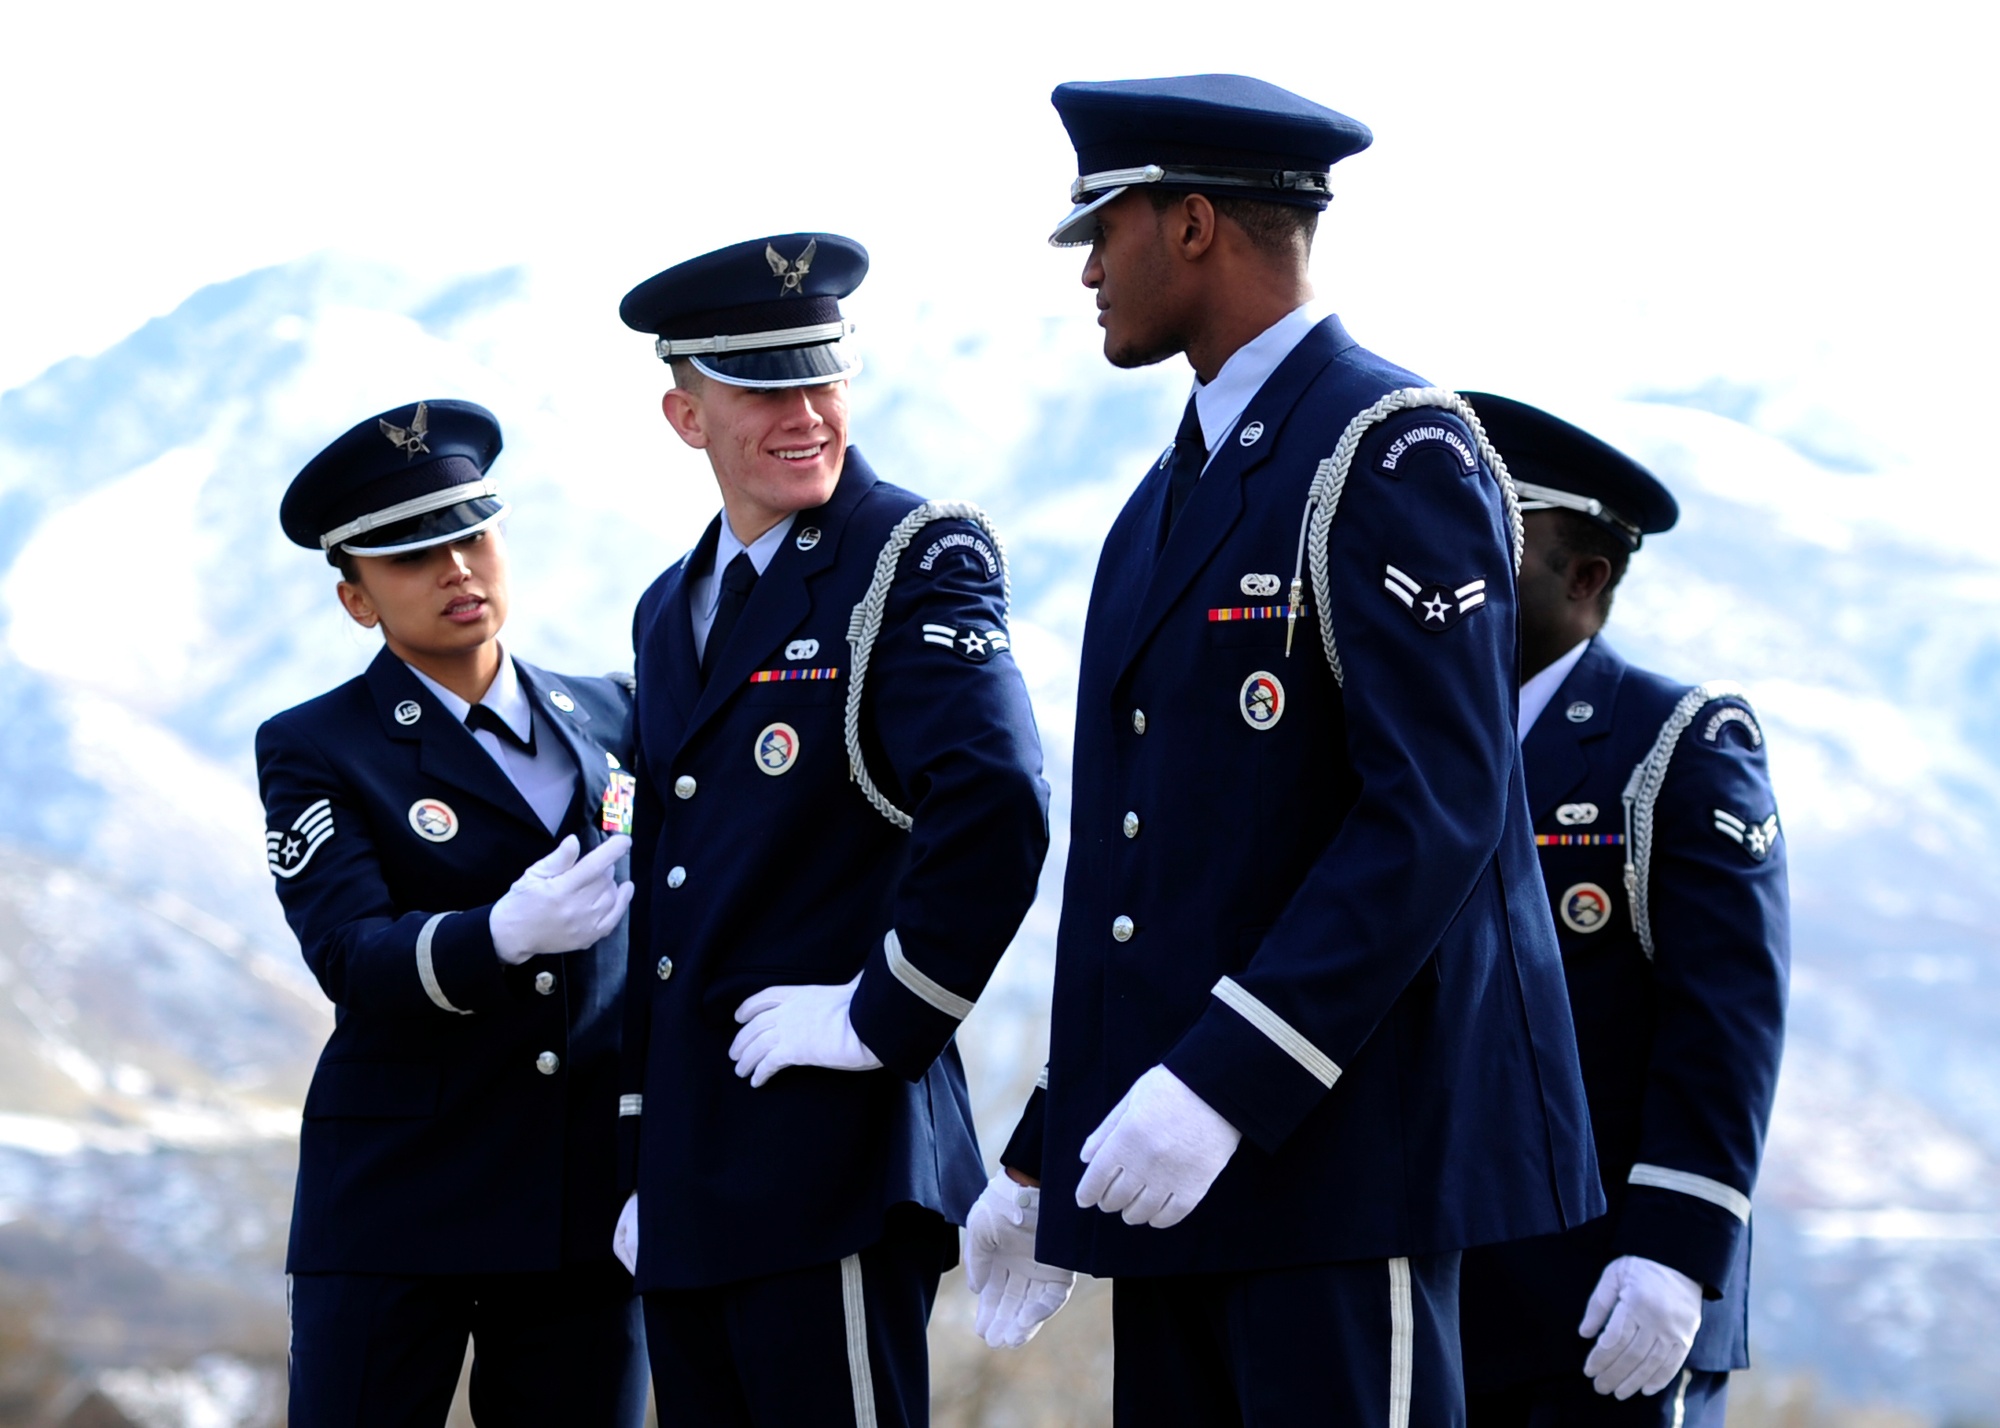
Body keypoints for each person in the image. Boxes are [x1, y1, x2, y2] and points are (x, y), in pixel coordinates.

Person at [964, 75, 1604, 1426]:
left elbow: (1436, 812)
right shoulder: (1171, 491)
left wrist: (1220, 1083)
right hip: (1177, 1175)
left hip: (1332, 1167)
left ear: (1193, 226)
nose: (1085, 269)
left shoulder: (1387, 449)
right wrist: (1049, 1152)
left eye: (1104, 226)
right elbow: (1156, 872)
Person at [613, 233, 1050, 1427]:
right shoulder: (670, 608)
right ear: (683, 413)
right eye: (763, 386)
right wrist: (641, 1151)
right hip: (693, 1182)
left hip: (832, 1164)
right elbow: (671, 884)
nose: (805, 412)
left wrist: (881, 1014)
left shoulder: (908, 554)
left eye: (823, 376)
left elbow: (999, 796)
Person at [257, 398, 647, 1428]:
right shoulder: (316, 745)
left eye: (471, 536)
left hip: (583, 1208)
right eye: (414, 555)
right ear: (356, 600)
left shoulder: (616, 713)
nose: (458, 570)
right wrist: (495, 937)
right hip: (400, 1202)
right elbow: (350, 953)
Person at [1455, 393, 1789, 1427]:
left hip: (1610, 1299)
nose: (1443, 575)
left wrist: (1676, 1249)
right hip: (1437, 1287)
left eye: (1485, 543)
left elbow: (1723, 1015)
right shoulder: (1399, 742)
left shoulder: (1674, 743)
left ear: (1584, 576)